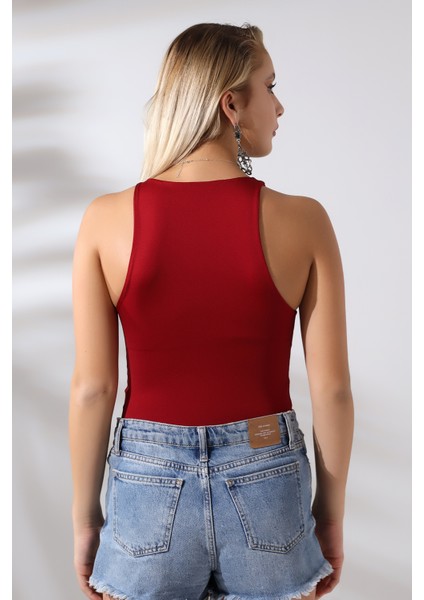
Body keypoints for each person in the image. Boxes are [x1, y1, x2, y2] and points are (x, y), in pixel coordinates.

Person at [69, 22, 354, 600]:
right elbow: (333, 392)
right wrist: (328, 516)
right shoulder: (304, 220)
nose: (280, 106)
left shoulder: (105, 220)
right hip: (266, 468)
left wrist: (85, 519)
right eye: (270, 86)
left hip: (148, 480)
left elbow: (93, 389)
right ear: (231, 105)